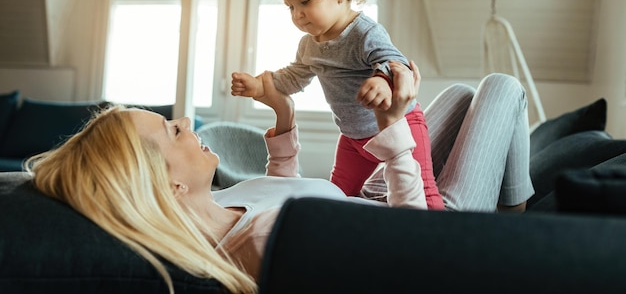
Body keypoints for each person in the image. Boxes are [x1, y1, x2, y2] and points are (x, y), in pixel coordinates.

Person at [26, 62, 534, 293]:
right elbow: (414, 253)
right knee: (502, 87)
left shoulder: (226, 203)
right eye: (170, 130)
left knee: (462, 95)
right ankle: (516, 228)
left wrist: (284, 117)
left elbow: (283, 189)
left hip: (376, 196)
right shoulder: (265, 244)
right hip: (429, 218)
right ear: (169, 186)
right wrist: (393, 129)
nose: (184, 122)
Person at [231, 0, 444, 209]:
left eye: (304, 2)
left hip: (398, 124)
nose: (297, 14)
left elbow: (394, 61)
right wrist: (259, 84)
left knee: (424, 192)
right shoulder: (309, 44)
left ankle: (441, 237)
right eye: (290, 6)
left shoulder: (364, 33)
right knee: (337, 197)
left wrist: (382, 80)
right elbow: (295, 77)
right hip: (352, 138)